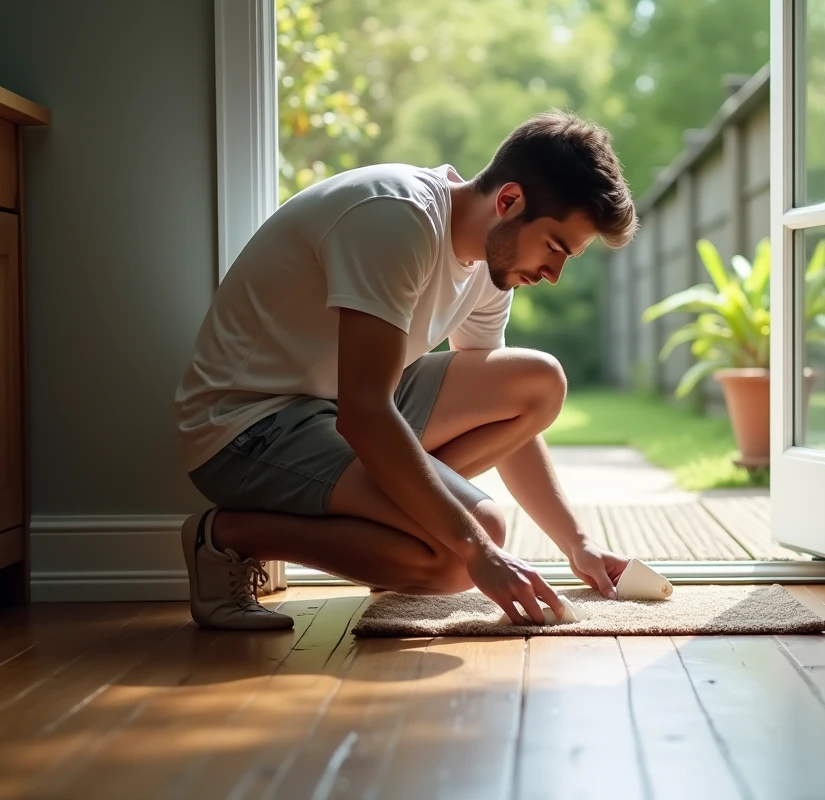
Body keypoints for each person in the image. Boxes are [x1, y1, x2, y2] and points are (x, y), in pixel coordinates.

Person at [174, 110, 638, 631]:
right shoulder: (397, 217)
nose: (554, 274)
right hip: (246, 427)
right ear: (508, 201)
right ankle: (229, 536)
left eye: (567, 257)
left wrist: (578, 544)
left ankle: (399, 522)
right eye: (554, 246)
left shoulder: (491, 264)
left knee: (536, 382)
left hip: (338, 410)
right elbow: (365, 411)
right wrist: (476, 545)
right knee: (464, 550)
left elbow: (497, 412)